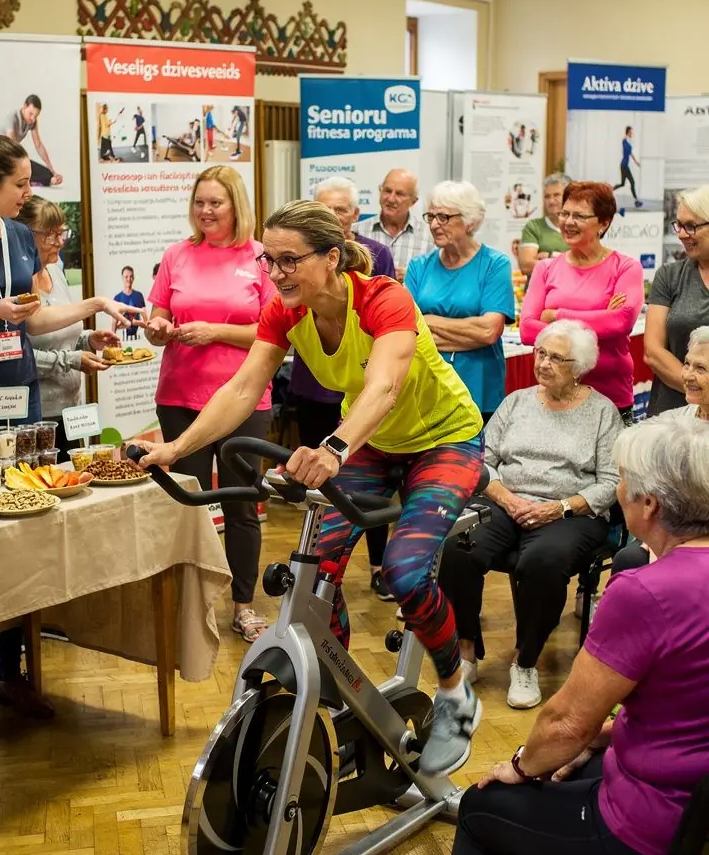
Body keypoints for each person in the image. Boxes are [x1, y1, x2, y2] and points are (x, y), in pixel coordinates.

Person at [387, 416, 709, 855]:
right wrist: (604, 739)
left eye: (622, 483)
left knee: (482, 812)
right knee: (581, 768)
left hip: (651, 850)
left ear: (647, 505)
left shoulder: (647, 591)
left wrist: (516, 766)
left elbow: (563, 722)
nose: (618, 492)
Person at [139, 200, 485, 776]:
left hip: (443, 439)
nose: (276, 274)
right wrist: (174, 450)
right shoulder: (285, 312)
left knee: (403, 571)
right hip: (370, 443)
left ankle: (454, 689)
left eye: (289, 260)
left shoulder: (383, 299)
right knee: (314, 570)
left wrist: (332, 448)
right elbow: (243, 389)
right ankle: (345, 697)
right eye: (268, 261)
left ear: (332, 257)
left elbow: (382, 390)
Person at [0, 134, 143, 743]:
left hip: (20, 400)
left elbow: (35, 317)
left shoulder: (18, 238)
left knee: (24, 527)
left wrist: (95, 304)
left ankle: (12, 671)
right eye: (20, 184)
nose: (29, 194)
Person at [441, 320, 621, 709]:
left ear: (581, 366)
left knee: (543, 561)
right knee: (456, 544)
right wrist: (507, 499)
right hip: (506, 501)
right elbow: (482, 463)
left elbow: (611, 483)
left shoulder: (603, 413)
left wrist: (559, 507)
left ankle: (526, 661)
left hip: (570, 512)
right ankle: (467, 649)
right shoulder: (516, 402)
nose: (544, 363)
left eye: (557, 357)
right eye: (541, 353)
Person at [145, 166, 276, 644]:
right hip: (180, 398)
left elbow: (274, 331)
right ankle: (190, 605)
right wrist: (156, 327)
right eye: (199, 202)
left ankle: (244, 604)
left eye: (215, 203)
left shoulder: (262, 257)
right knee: (188, 506)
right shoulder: (177, 254)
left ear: (236, 205)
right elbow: (157, 315)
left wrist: (215, 331)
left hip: (246, 400)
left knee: (241, 506)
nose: (205, 211)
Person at [288, 177, 396, 600]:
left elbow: (382, 325)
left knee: (368, 484)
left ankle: (377, 564)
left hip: (364, 384)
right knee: (317, 484)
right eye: (324, 209)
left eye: (341, 210)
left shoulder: (377, 256)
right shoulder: (293, 276)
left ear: (355, 214)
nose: (333, 217)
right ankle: (319, 566)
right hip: (315, 386)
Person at [520, 182, 644, 421]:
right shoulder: (545, 268)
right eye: (564, 213)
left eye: (579, 215)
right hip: (555, 396)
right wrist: (599, 319)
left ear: (604, 223)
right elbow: (526, 329)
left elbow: (620, 322)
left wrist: (556, 316)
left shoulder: (626, 267)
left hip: (610, 397)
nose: (567, 222)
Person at [20, 196, 119, 462]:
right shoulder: (17, 285)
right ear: (24, 234)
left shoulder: (55, 272)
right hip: (39, 416)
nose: (60, 241)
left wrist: (89, 340)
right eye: (50, 235)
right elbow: (20, 354)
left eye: (61, 232)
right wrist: (72, 360)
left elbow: (63, 334)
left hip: (71, 410)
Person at [406, 182, 515, 423]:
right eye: (431, 216)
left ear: (471, 222)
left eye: (444, 217)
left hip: (478, 389)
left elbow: (489, 331)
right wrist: (467, 334)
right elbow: (407, 331)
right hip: (427, 388)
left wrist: (429, 321)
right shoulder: (418, 267)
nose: (434, 224)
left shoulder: (494, 265)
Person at [613, 327, 709, 577]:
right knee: (629, 559)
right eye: (687, 364)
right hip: (673, 529)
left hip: (698, 538)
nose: (687, 375)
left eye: (701, 369)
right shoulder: (678, 420)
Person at [644, 185, 709, 415]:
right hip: (672, 416)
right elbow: (653, 352)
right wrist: (700, 392)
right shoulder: (669, 276)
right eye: (679, 225)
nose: (681, 233)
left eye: (691, 226)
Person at [365, 168, 433, 282]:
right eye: (387, 191)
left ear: (413, 201)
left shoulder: (429, 238)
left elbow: (435, 282)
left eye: (399, 194)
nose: (391, 199)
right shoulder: (357, 232)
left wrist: (413, 277)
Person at [518, 172, 570, 278]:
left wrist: (551, 256)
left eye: (556, 195)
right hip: (539, 292)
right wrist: (566, 263)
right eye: (547, 196)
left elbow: (586, 263)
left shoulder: (578, 226)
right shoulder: (534, 226)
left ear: (569, 196)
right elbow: (526, 266)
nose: (551, 201)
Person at [4, 95, 62, 187]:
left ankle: (42, 180)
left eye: (36, 116)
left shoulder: (32, 121)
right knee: (19, 169)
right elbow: (11, 143)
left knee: (48, 174)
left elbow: (38, 145)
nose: (33, 119)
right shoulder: (12, 117)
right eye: (30, 114)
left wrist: (52, 170)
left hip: (15, 157)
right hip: (3, 156)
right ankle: (36, 181)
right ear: (24, 106)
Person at [613, 125, 642, 207]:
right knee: (632, 182)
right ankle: (636, 201)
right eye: (631, 132)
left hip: (624, 165)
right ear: (628, 132)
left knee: (622, 184)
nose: (632, 133)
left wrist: (636, 162)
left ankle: (610, 190)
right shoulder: (624, 140)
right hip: (624, 165)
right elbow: (623, 140)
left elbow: (630, 153)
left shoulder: (628, 142)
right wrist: (626, 135)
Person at [113, 267, 146, 339]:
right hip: (123, 338)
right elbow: (114, 323)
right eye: (126, 277)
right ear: (122, 278)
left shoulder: (139, 296)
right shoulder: (117, 298)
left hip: (138, 338)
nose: (129, 279)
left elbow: (146, 322)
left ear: (133, 278)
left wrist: (135, 322)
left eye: (131, 276)